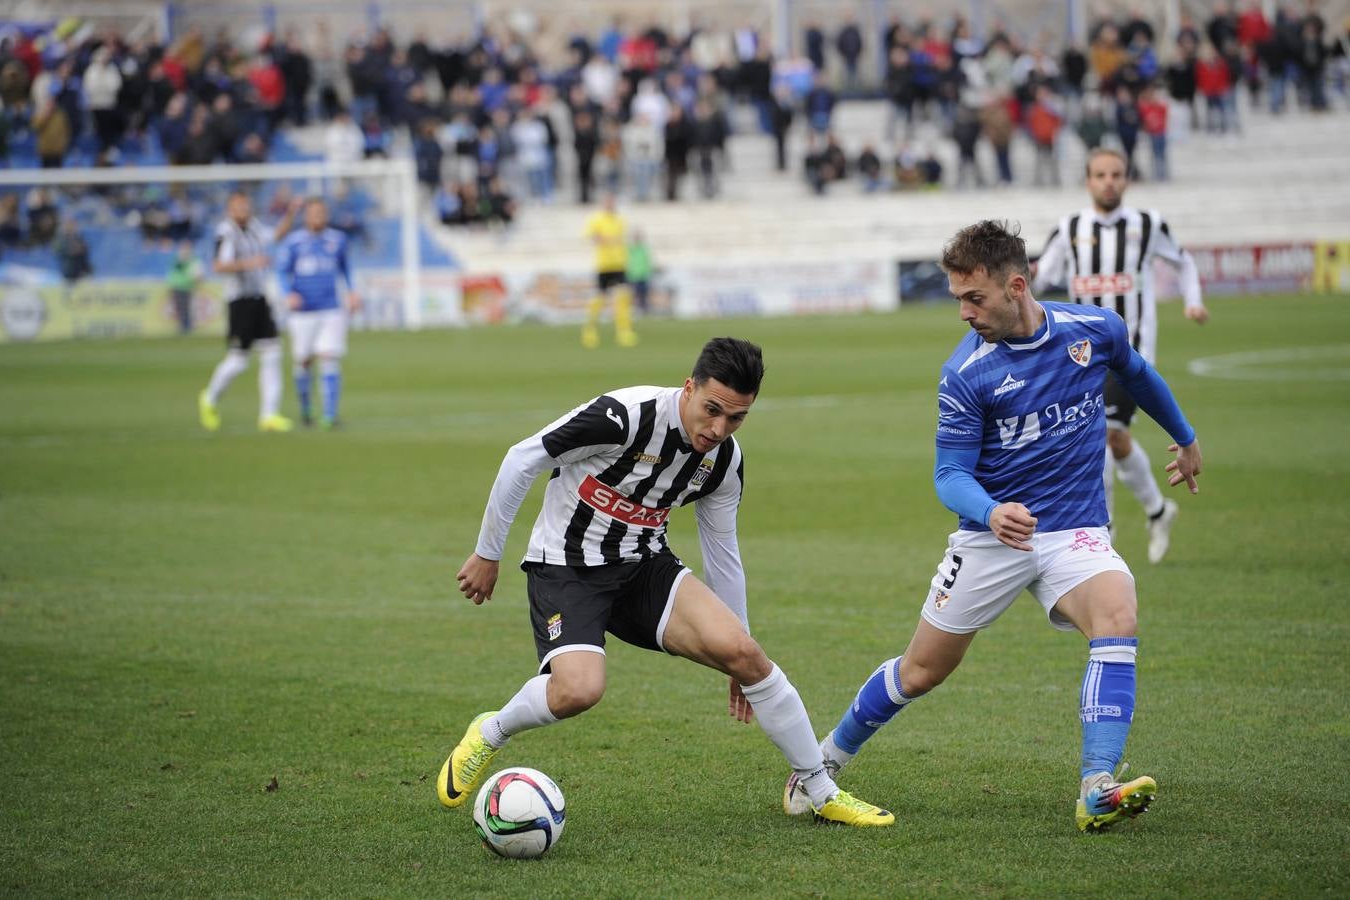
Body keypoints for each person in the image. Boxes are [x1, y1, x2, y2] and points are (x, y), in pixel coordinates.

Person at [784, 220, 1203, 833]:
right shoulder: (966, 373)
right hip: (990, 537)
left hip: (1072, 528)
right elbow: (949, 474)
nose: (962, 312)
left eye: (972, 297)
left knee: (1118, 613)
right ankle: (820, 763)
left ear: (1016, 286)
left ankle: (1097, 785)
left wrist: (1185, 438)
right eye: (956, 298)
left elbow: (1138, 374)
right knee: (922, 671)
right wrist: (990, 511)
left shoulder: (1094, 331)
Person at [442, 338, 894, 828]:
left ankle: (820, 789)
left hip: (643, 566)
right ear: (689, 387)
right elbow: (522, 458)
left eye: (737, 418)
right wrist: (489, 552)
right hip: (568, 567)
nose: (719, 428)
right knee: (578, 691)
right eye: (712, 410)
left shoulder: (723, 462)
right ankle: (490, 731)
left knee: (749, 656)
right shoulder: (624, 416)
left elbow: (723, 552)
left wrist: (735, 647)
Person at [1032, 147, 1208, 563]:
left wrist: (1193, 301)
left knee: (1102, 436)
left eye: (1116, 174)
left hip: (1130, 352)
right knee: (1116, 438)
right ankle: (1158, 510)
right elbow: (1042, 276)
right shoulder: (1070, 227)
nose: (1109, 181)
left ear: (1126, 179)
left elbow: (1184, 263)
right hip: (1078, 354)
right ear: (1088, 181)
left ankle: (1101, 535)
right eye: (1100, 175)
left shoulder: (1147, 224)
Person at [198, 191, 299, 433]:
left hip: (260, 298)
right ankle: (210, 398)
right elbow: (218, 266)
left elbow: (275, 235)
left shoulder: (254, 227)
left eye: (246, 207)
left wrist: (292, 213)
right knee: (238, 361)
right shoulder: (226, 232)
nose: (243, 212)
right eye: (238, 208)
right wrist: (250, 263)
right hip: (239, 301)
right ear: (229, 210)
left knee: (273, 354)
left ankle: (269, 414)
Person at [275, 197, 361, 429]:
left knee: (329, 357)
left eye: (322, 213)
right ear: (306, 216)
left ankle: (330, 415)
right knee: (303, 361)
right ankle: (306, 410)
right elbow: (282, 272)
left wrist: (352, 291)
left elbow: (346, 269)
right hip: (302, 311)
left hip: (331, 308)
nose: (318, 217)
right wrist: (288, 294)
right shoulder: (293, 242)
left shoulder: (338, 240)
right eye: (314, 213)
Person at [580, 192, 637, 349]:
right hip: (604, 264)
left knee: (623, 297)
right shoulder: (596, 219)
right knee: (599, 299)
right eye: (608, 201)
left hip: (619, 264)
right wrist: (605, 239)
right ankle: (590, 330)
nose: (610, 204)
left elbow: (626, 239)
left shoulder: (620, 220)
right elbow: (591, 236)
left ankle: (623, 331)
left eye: (612, 201)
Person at [166, 241, 204, 335]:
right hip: (177, 287)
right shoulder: (177, 259)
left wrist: (197, 283)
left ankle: (188, 327)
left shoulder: (194, 260)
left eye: (187, 248)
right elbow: (173, 272)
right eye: (183, 248)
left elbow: (198, 274)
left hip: (189, 287)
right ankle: (182, 327)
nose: (185, 250)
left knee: (189, 308)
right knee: (179, 308)